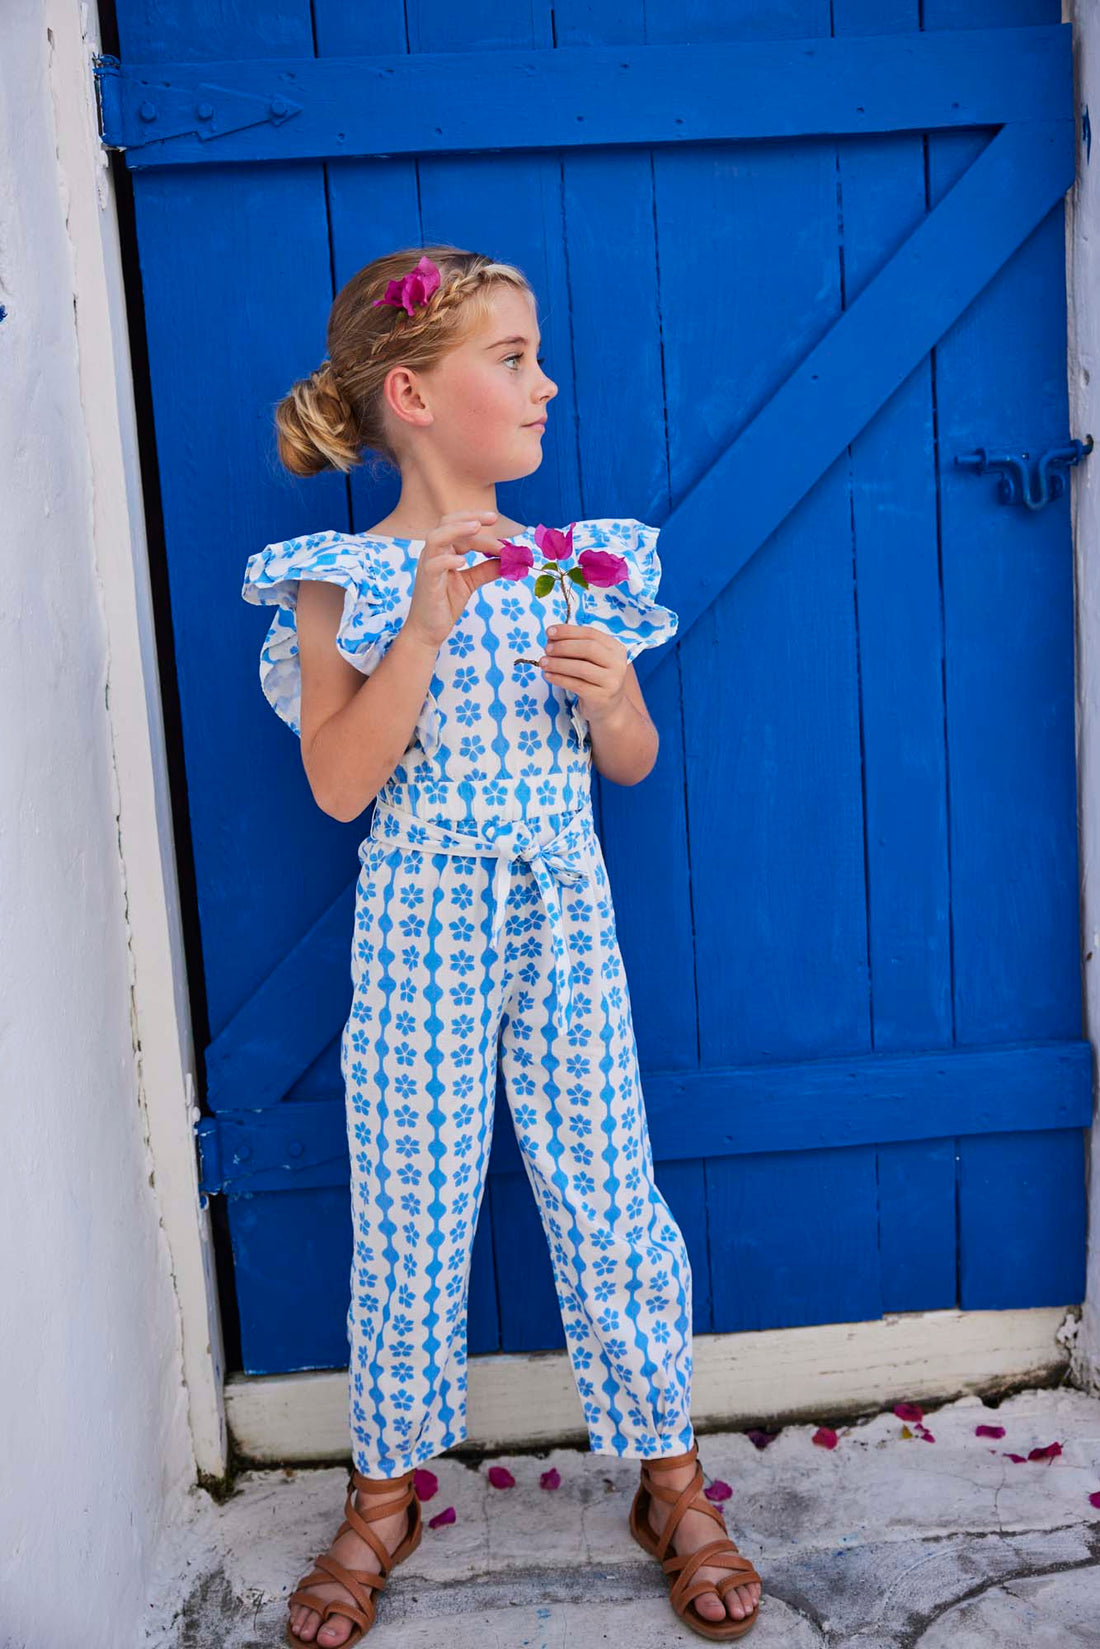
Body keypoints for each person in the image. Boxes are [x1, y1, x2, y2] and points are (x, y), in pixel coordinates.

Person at [241, 246, 763, 1646]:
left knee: (608, 1185)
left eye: (537, 355)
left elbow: (636, 764)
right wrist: (420, 622)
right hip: (420, 914)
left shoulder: (583, 563)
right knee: (409, 1202)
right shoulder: (337, 576)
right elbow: (342, 782)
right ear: (411, 393)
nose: (546, 384)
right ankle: (381, 1490)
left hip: (564, 906)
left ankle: (669, 1474)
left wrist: (612, 703)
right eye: (514, 358)